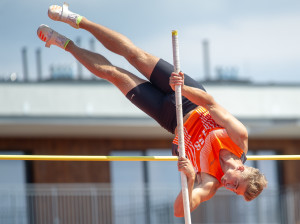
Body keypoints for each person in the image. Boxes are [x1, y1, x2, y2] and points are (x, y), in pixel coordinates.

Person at [37, 3, 267, 217]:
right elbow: (211, 103)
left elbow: (180, 211)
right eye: (235, 184)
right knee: (134, 55)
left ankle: (64, 43)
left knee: (115, 75)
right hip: (189, 98)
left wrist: (188, 180)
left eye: (233, 190)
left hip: (170, 119)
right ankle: (76, 19)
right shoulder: (239, 137)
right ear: (241, 168)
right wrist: (181, 87)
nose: (228, 186)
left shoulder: (210, 183)